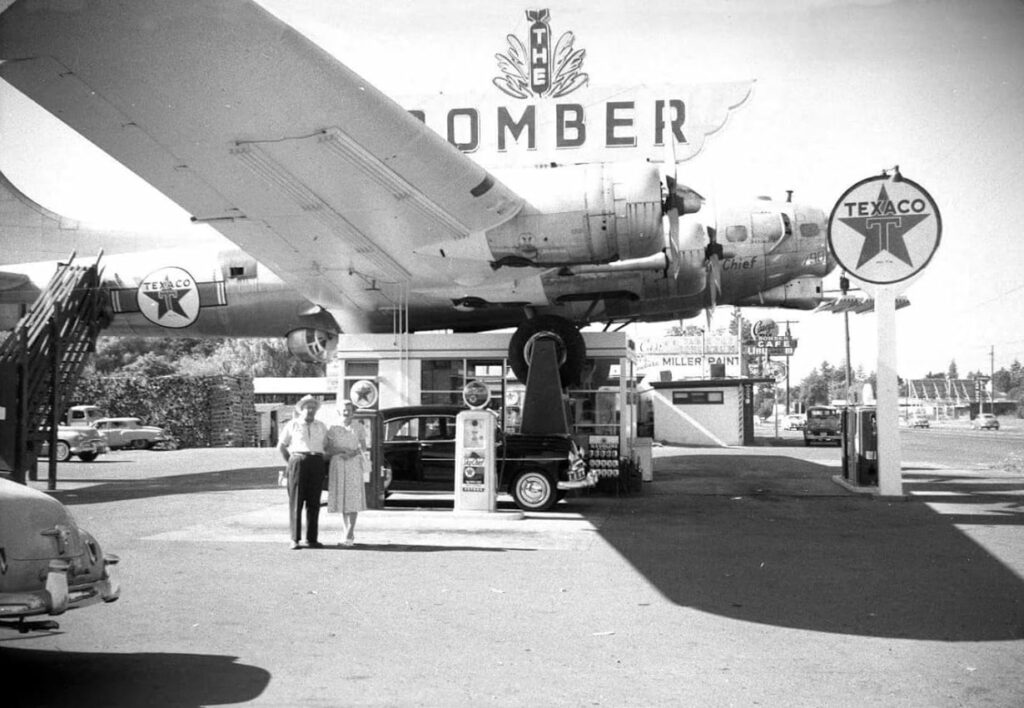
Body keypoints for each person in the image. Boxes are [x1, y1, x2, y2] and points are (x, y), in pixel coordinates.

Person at [278, 395, 328, 550]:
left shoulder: (321, 426)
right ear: (301, 409)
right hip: (298, 460)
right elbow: (281, 446)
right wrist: (292, 462)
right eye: (308, 407)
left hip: (316, 461)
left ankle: (312, 538)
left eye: (313, 407)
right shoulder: (292, 425)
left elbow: (326, 447)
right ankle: (295, 538)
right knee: (296, 502)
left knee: (314, 502)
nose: (311, 410)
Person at [325, 400, 367, 546]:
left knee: (353, 497)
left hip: (353, 464)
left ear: (353, 411)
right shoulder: (333, 428)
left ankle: (350, 532)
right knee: (343, 499)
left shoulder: (359, 427)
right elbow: (328, 449)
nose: (346, 412)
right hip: (338, 464)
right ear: (338, 411)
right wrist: (342, 451)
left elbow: (364, 447)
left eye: (349, 409)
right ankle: (346, 532)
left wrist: (353, 453)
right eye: (343, 409)